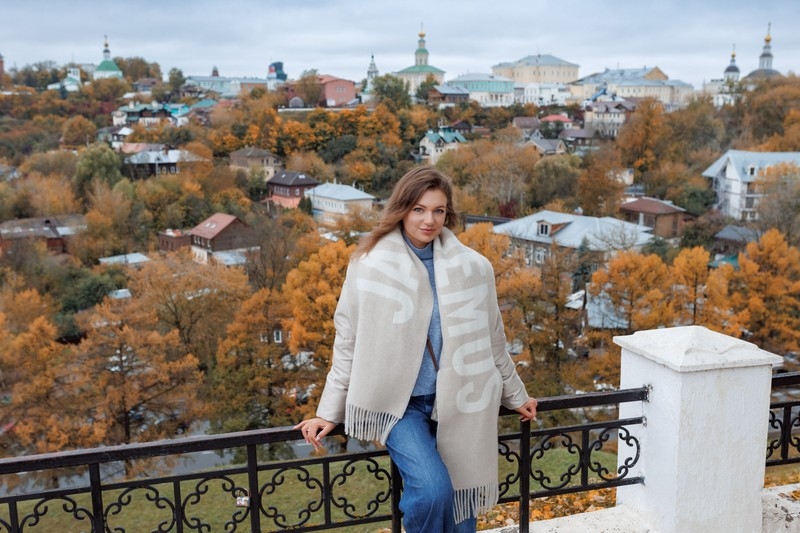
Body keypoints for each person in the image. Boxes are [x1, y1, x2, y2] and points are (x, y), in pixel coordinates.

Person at [295, 166, 537, 533]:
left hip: (460, 400)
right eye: (419, 209)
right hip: (400, 405)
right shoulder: (370, 265)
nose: (429, 220)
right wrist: (329, 411)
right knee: (433, 490)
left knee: (461, 510)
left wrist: (516, 394)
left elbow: (492, 340)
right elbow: (348, 340)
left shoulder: (474, 268)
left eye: (438, 210)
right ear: (402, 209)